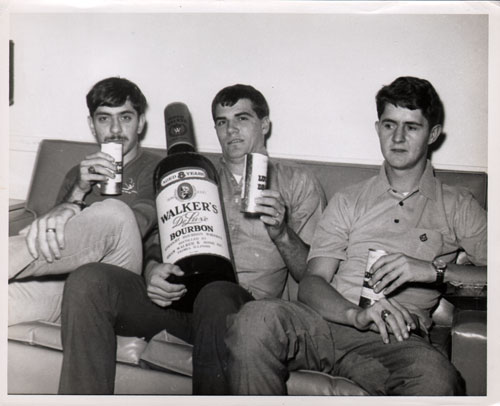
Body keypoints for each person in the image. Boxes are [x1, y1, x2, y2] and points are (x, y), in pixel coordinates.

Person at [224, 76, 487, 396]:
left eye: (412, 127)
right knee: (255, 317)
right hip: (324, 324)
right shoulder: (349, 200)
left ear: (432, 134)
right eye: (389, 125)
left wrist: (432, 270)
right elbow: (311, 282)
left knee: (437, 380)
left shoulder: (457, 204)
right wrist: (356, 314)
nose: (399, 137)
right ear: (378, 129)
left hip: (396, 340)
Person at [57, 84, 326, 394]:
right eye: (222, 122)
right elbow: (152, 243)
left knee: (217, 293)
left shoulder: (298, 183)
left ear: (264, 124)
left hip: (244, 313)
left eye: (242, 118)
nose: (231, 130)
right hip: (181, 303)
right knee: (90, 280)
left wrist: (282, 233)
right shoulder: (195, 173)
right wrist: (152, 269)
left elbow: (314, 276)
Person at [8, 77, 160, 325]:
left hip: (125, 280)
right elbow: (52, 240)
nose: (114, 129)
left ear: (140, 122)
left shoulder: (157, 168)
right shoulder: (78, 174)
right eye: (104, 118)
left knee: (116, 213)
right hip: (75, 286)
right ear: (92, 125)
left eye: (125, 117)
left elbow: (139, 223)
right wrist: (78, 191)